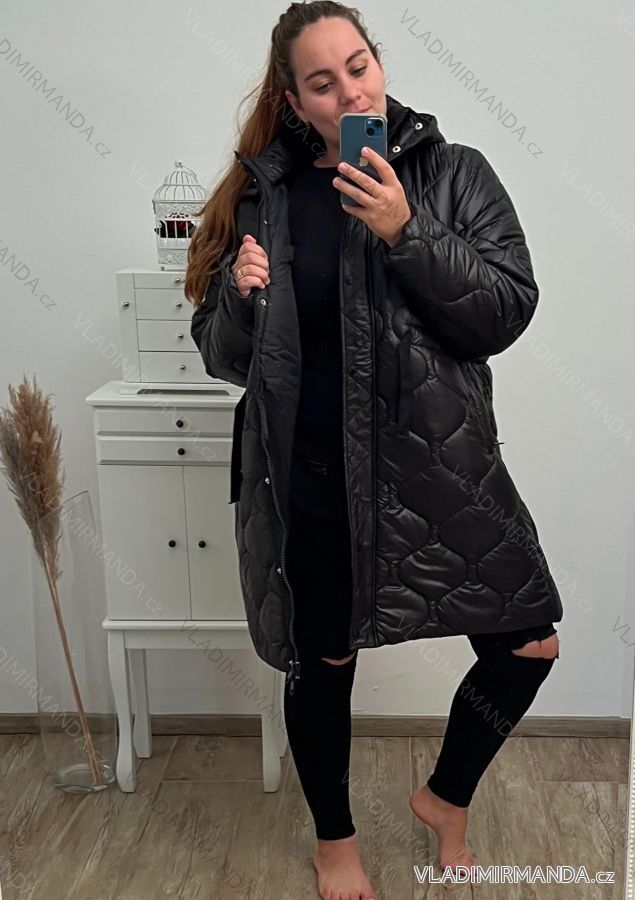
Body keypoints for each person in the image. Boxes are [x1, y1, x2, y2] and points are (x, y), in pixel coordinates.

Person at [187, 3, 563, 898]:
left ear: (378, 63)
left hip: (441, 467)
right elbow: (223, 357)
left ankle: (443, 797)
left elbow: (503, 311)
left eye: (358, 66)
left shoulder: (454, 174)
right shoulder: (264, 197)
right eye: (323, 83)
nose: (350, 92)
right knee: (324, 661)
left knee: (527, 645)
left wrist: (405, 229)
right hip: (309, 471)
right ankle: (335, 842)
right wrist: (238, 299)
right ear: (293, 101)